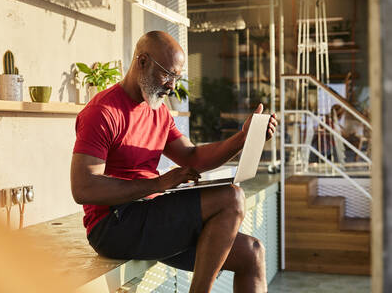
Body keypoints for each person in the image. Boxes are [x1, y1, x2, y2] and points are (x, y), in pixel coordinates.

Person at [71, 31, 278, 293]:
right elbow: (83, 188)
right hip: (113, 225)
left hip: (150, 216)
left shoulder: (158, 112)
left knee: (252, 253)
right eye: (167, 74)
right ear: (142, 61)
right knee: (231, 198)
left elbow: (192, 157)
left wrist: (242, 138)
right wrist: (158, 183)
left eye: (176, 77)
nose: (171, 85)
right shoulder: (102, 112)